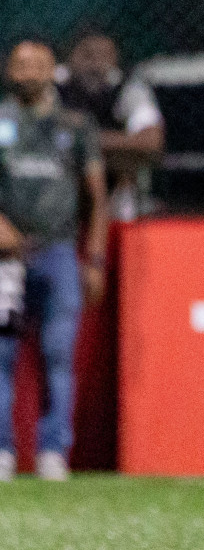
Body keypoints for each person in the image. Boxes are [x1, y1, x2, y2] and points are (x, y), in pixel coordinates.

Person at [0, 41, 109, 483]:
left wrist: (95, 257)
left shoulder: (76, 125)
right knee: (1, 352)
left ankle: (52, 450)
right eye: (19, 63)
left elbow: (96, 194)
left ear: (52, 70)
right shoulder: (1, 120)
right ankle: (2, 451)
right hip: (5, 255)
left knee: (58, 351)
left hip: (59, 250)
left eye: (36, 63)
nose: (27, 71)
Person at [56, 25, 165, 222]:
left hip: (113, 184)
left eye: (105, 56)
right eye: (88, 55)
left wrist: (86, 140)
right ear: (70, 56)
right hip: (58, 183)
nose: (96, 65)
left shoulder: (128, 87)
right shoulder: (52, 85)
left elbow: (151, 141)